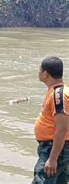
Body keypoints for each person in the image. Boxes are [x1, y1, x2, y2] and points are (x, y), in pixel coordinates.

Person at [33, 56, 68, 184]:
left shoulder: (58, 95)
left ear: (46, 73)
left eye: (40, 70)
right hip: (56, 148)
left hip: (54, 148)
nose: (38, 73)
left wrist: (52, 158)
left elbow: (62, 128)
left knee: (41, 180)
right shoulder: (56, 91)